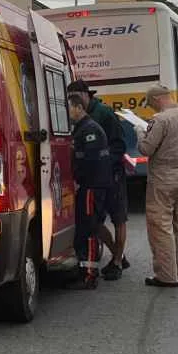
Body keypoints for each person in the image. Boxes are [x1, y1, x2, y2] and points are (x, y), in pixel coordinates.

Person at [138, 84, 178, 288]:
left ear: (157, 99)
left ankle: (166, 275)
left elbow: (146, 149)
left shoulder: (160, 120)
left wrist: (140, 133)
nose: (151, 108)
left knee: (160, 227)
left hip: (162, 180)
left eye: (150, 104)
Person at [68, 79, 129, 279]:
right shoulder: (77, 120)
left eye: (74, 97)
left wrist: (104, 164)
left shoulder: (104, 113)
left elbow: (119, 146)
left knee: (118, 217)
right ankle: (118, 254)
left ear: (85, 95)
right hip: (96, 178)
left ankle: (117, 262)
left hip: (112, 174)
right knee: (94, 221)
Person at [67, 92, 113, 289]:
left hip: (92, 186)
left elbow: (91, 162)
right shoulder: (82, 128)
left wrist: (78, 180)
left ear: (79, 108)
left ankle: (89, 275)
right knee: (84, 228)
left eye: (69, 108)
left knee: (89, 229)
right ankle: (84, 271)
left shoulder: (89, 130)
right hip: (89, 186)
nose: (67, 112)